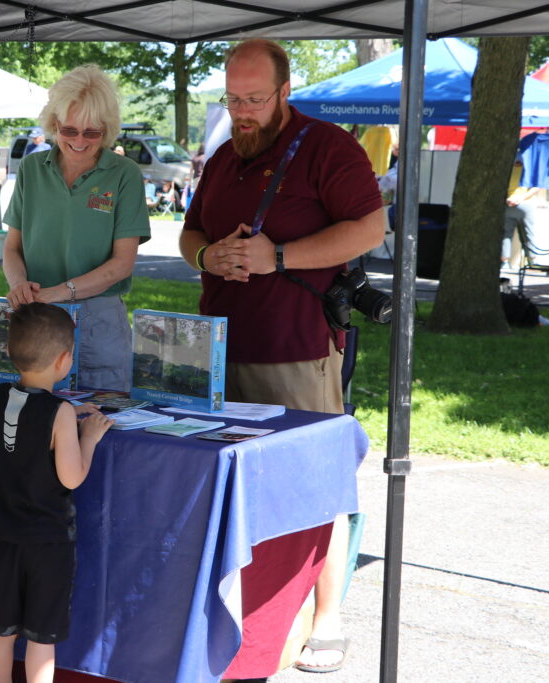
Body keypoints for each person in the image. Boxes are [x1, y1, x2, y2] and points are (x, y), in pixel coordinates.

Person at [179, 38, 384, 675]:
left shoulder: (329, 148)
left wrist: (282, 257)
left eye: (254, 99)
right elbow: (190, 234)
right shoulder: (221, 157)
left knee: (312, 485)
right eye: (233, 98)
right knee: (233, 488)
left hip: (295, 351)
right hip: (215, 353)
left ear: (284, 92)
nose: (241, 111)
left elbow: (370, 229)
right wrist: (205, 257)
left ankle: (326, 617)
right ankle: (254, 613)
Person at [0, 302, 113, 683]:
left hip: (4, 535)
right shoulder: (61, 412)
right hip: (48, 544)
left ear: (10, 352)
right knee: (40, 635)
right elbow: (72, 478)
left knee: (0, 629)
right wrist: (89, 437)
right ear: (65, 359)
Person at [2, 64, 151, 391]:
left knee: (103, 421)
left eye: (92, 133)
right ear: (54, 124)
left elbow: (122, 264)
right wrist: (19, 285)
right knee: (37, 424)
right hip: (36, 319)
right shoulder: (31, 169)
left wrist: (60, 293)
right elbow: (12, 248)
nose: (79, 142)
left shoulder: (124, 174)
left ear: (108, 129)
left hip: (99, 320)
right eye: (69, 131)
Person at [503, 159, 543, 268]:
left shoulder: (507, 169)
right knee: (529, 232)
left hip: (509, 203)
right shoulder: (530, 168)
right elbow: (537, 186)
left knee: (506, 234)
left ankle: (504, 262)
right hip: (526, 203)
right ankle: (532, 260)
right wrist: (521, 198)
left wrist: (509, 199)